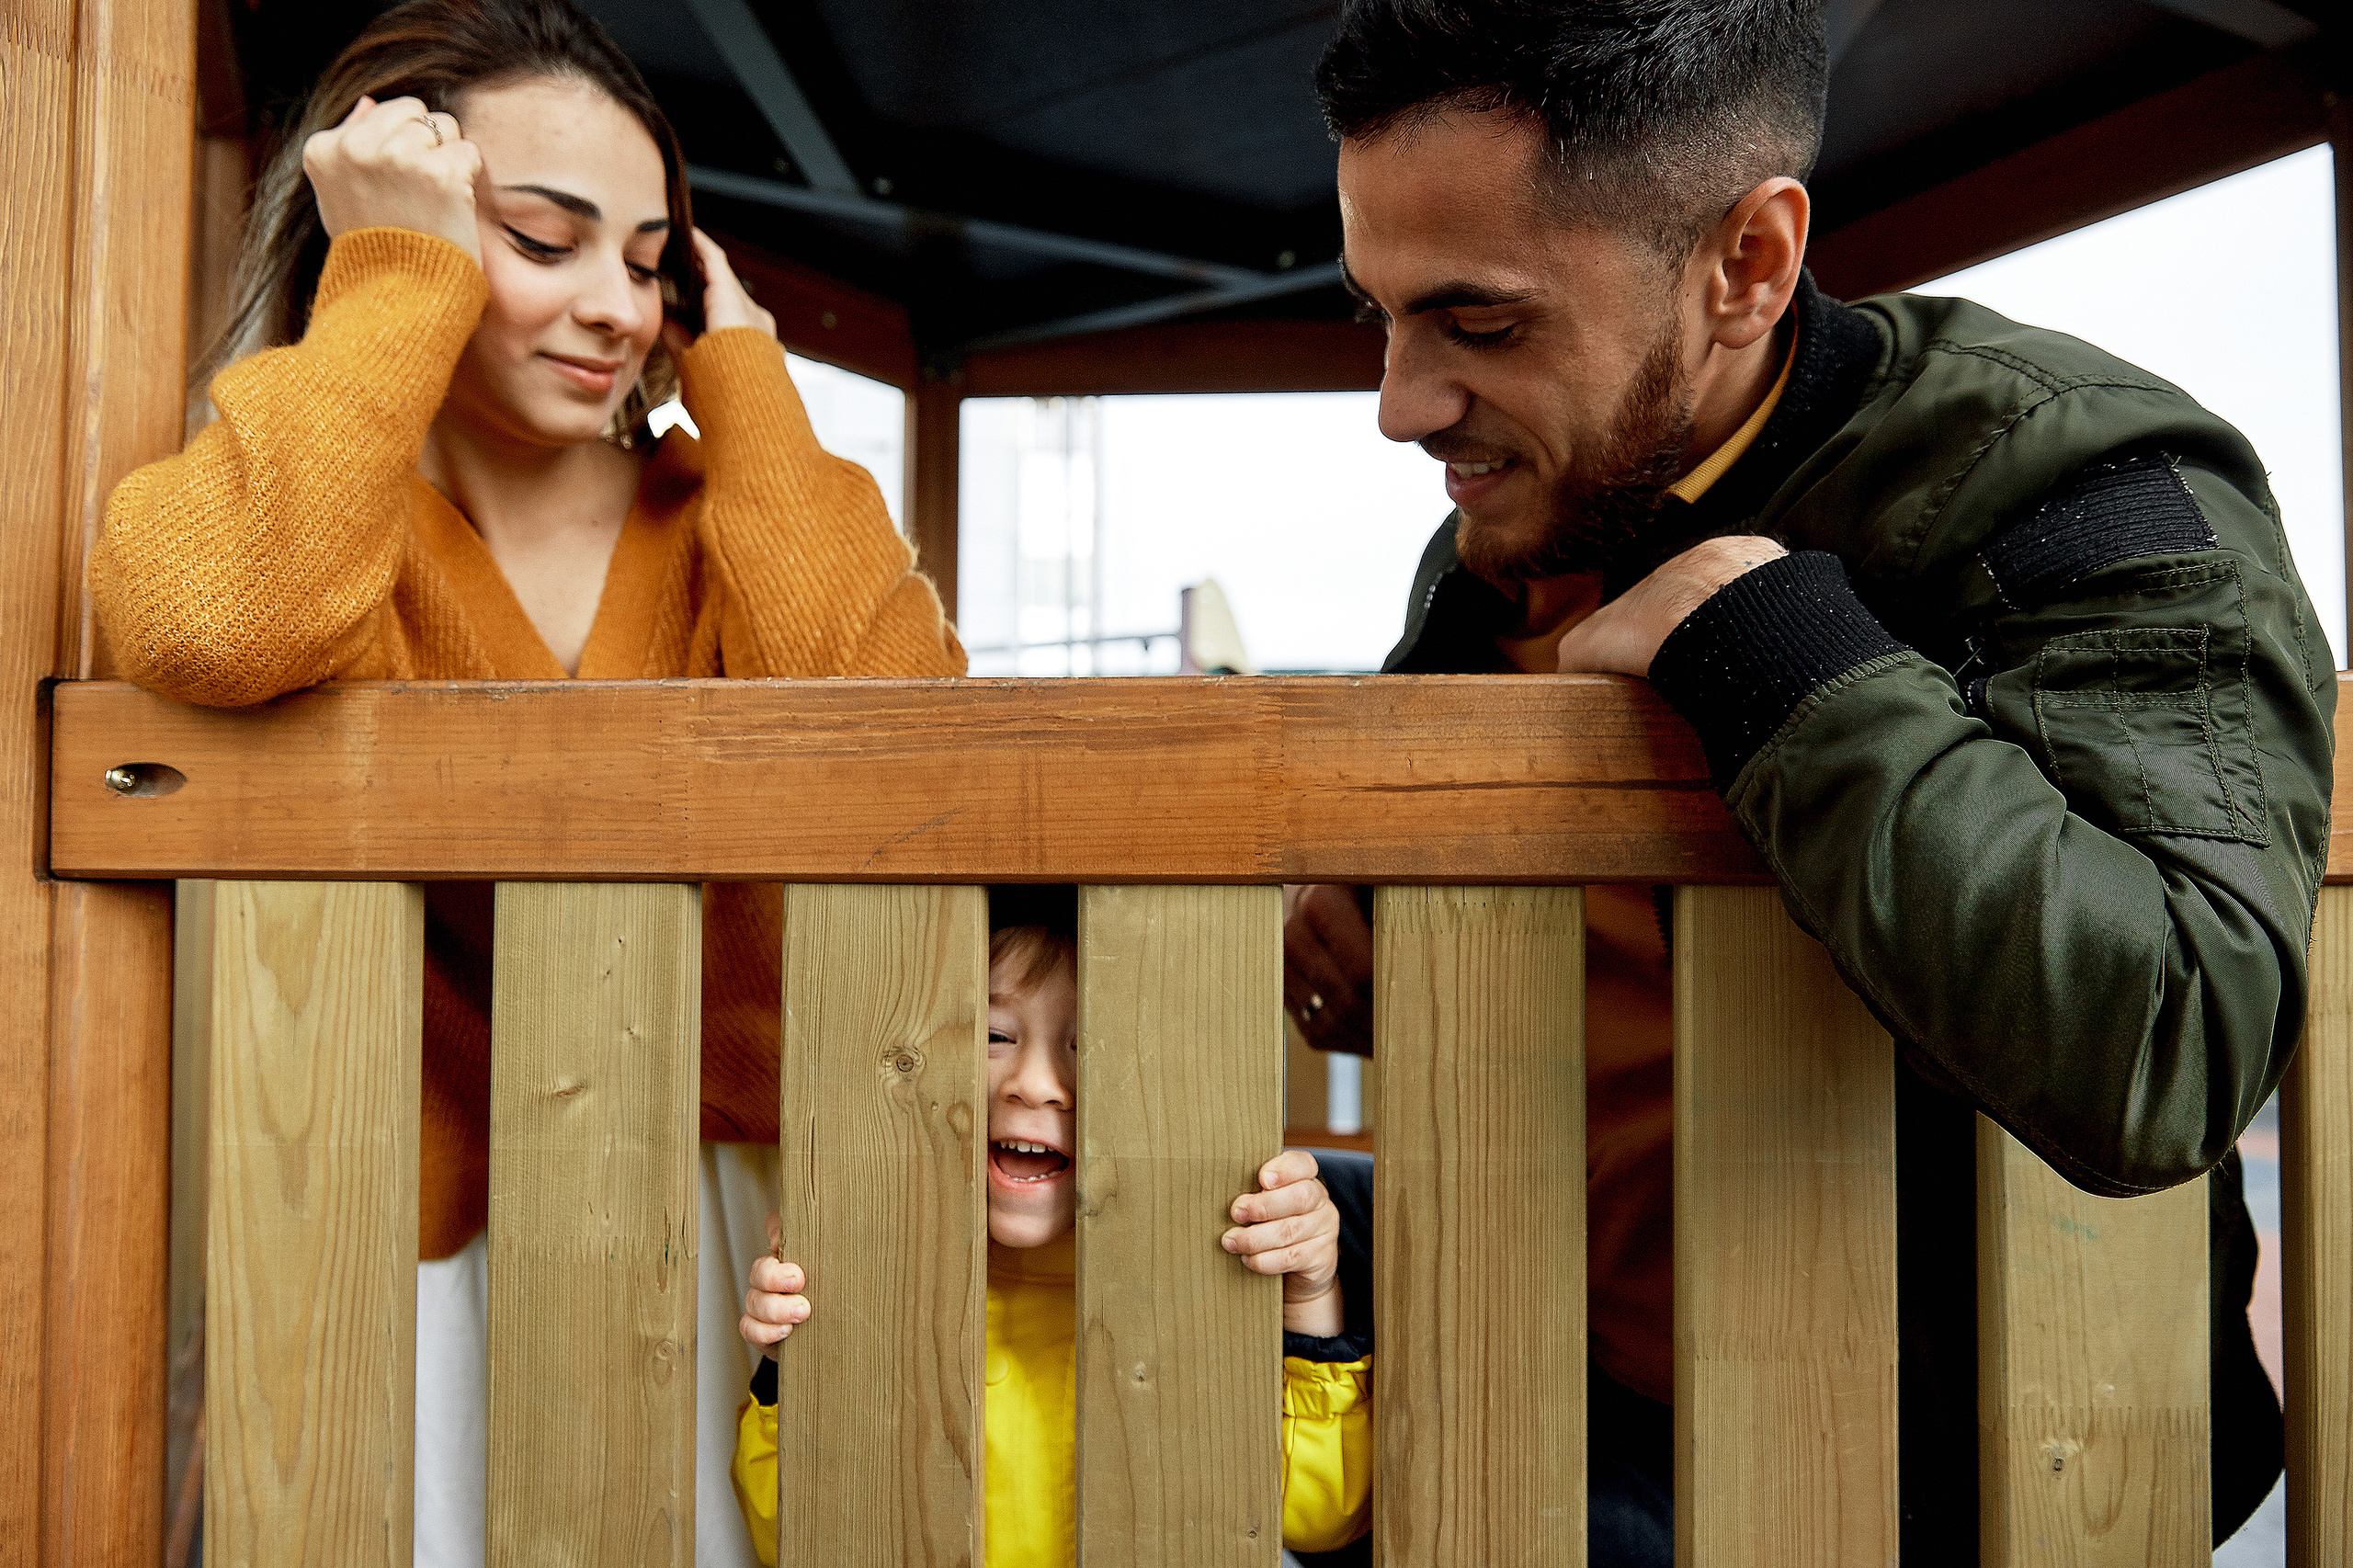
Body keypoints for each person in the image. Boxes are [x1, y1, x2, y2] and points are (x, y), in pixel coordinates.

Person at [1288, 0, 2324, 1560]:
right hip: (1553, 1403)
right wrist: (1367, 947)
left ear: (1749, 265)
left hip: (1960, 1478)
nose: (1401, 402)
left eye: (1479, 326)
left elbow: (2173, 1037)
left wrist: (1775, 649)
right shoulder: (1514, 511)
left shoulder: (2075, 476)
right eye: (1379, 314)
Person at [90, 0, 961, 1558]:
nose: (614, 307)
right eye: (544, 241)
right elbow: (214, 620)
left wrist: (746, 367)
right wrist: (394, 282)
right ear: (384, 228)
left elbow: (902, 731)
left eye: (651, 261)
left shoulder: (731, 507)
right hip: (404, 1236)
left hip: (740, 1227)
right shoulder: (315, 506)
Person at [729, 886, 1375, 1564]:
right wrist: (787, 1365)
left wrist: (1306, 1298)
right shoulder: (880, 1271)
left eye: (1088, 1043)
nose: (1035, 1083)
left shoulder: (1198, 1274)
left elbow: (1319, 1513)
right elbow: (789, 1535)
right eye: (993, 1035)